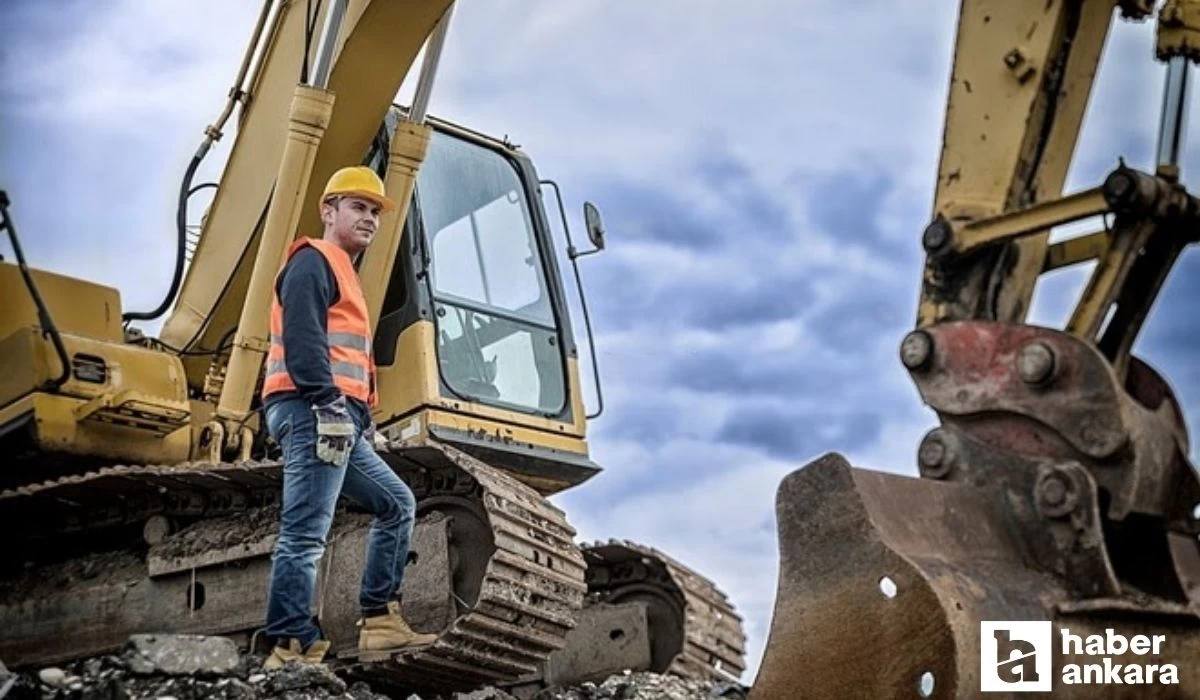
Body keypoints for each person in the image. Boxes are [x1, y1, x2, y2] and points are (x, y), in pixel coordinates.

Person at [259, 165, 437, 670]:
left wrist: (360, 417)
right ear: (328, 209)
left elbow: (348, 356)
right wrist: (327, 403)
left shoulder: (343, 270)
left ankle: (379, 620)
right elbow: (304, 341)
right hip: (312, 409)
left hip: (339, 417)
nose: (371, 219)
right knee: (304, 533)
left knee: (396, 503)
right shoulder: (313, 262)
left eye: (376, 211)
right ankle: (289, 644)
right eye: (358, 207)